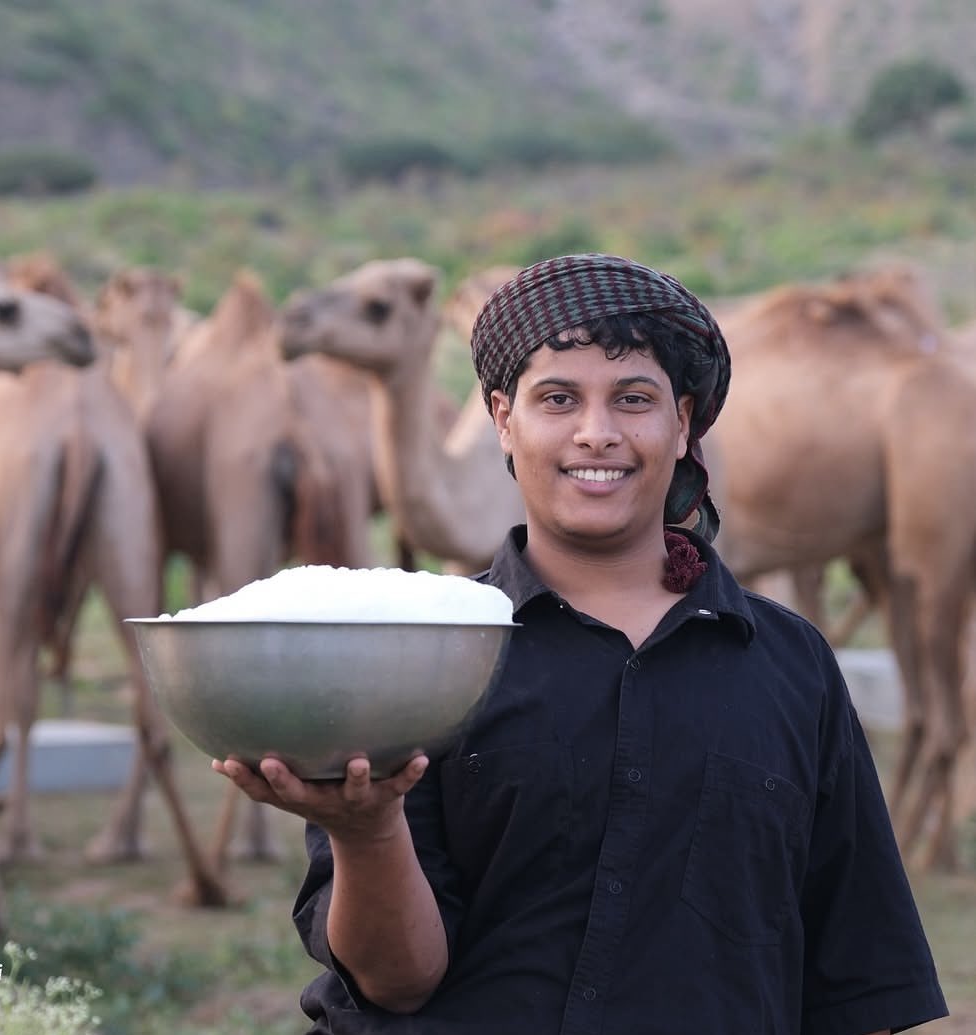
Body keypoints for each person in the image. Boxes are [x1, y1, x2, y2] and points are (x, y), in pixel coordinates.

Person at [214, 253, 948, 1034]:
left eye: (633, 399)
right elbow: (396, 982)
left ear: (684, 421)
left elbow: (858, 985)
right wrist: (365, 831)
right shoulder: (414, 658)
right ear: (503, 417)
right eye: (558, 398)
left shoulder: (789, 668)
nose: (596, 433)